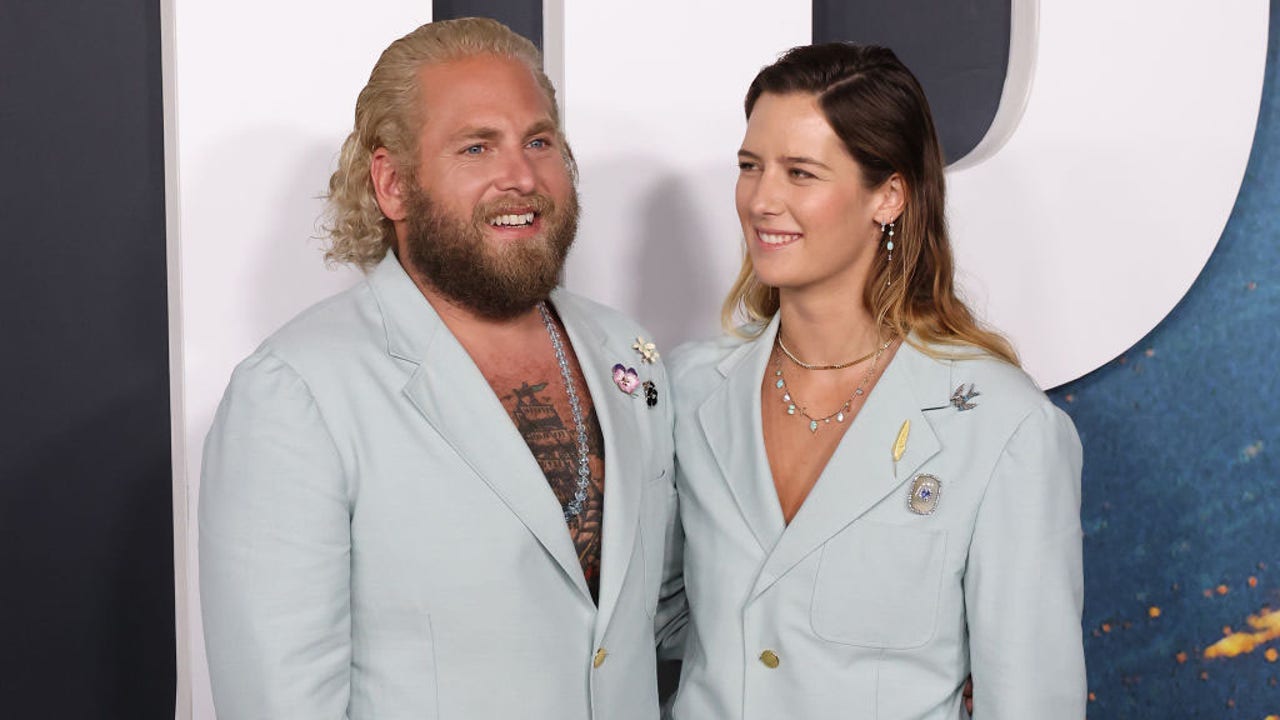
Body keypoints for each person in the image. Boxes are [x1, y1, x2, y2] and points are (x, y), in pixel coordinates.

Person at [199, 18, 681, 719]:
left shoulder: (625, 353)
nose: (521, 177)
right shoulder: (295, 393)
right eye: (476, 147)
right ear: (392, 184)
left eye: (538, 141)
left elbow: (656, 620)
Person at [665, 43, 1085, 718]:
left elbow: (1031, 698)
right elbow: (648, 621)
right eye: (750, 166)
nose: (762, 199)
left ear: (888, 195)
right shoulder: (688, 390)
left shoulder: (1003, 426)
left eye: (800, 173)